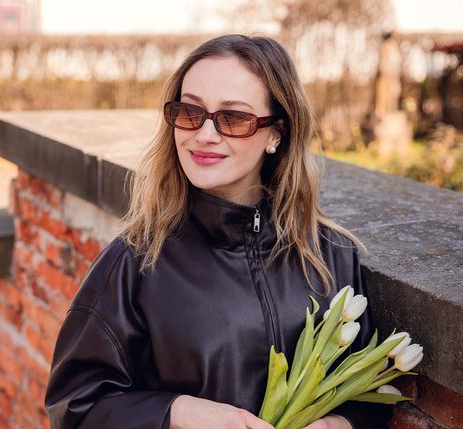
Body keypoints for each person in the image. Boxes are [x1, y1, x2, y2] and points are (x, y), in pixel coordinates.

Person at [44, 34, 393, 429]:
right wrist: (179, 412)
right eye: (190, 112)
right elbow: (74, 406)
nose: (204, 135)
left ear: (277, 133)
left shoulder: (329, 254)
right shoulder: (135, 261)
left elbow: (367, 394)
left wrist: (337, 425)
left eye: (233, 118)